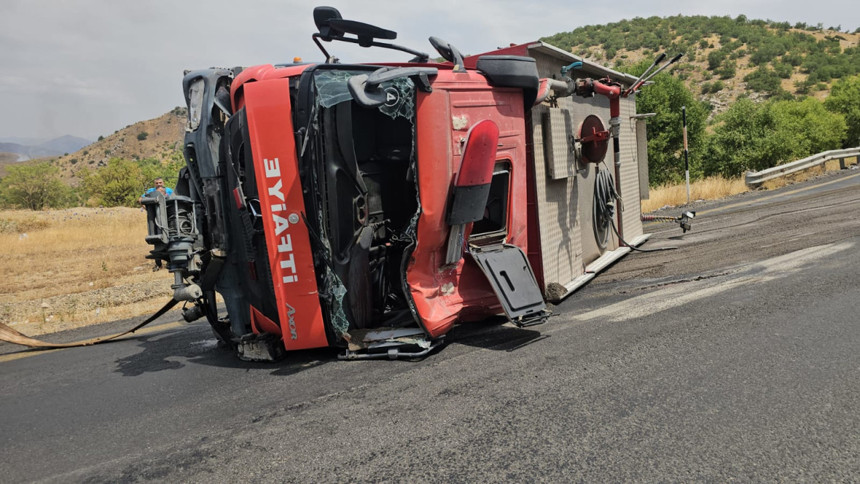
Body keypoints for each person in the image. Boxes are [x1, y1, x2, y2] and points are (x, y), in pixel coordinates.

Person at [139, 177, 174, 271]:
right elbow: (140, 199)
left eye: (160, 182)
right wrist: (147, 208)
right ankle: (158, 264)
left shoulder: (169, 190)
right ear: (155, 184)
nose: (159, 184)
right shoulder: (151, 191)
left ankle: (170, 261)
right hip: (155, 218)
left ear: (163, 183)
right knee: (157, 238)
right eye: (157, 183)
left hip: (167, 217)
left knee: (169, 238)